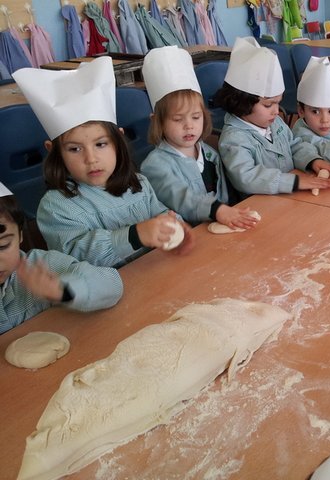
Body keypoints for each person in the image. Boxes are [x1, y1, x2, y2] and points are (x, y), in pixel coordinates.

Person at [14, 57, 193, 268]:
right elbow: (77, 256)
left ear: (118, 140)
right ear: (54, 151)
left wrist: (173, 224)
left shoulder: (138, 183)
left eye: (100, 144)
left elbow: (159, 213)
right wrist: (134, 235)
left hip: (154, 272)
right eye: (75, 149)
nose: (91, 159)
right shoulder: (56, 207)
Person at [140, 46, 257, 230]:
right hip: (190, 236)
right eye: (178, 119)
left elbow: (228, 194)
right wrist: (218, 210)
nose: (189, 125)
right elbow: (181, 198)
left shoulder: (210, 153)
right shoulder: (155, 165)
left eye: (195, 117)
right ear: (157, 121)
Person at [215, 37, 330, 196]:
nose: (276, 111)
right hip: (261, 203)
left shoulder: (274, 122)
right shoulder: (234, 139)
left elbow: (294, 145)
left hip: (290, 195)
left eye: (278, 103)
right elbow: (246, 177)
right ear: (243, 102)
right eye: (268, 105)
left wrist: (312, 160)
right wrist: (293, 182)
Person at [0, 183, 123, 335]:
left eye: (3, 245)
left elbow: (111, 283)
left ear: (20, 235)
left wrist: (63, 291)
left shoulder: (42, 267)